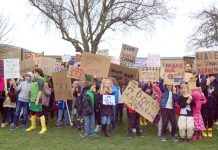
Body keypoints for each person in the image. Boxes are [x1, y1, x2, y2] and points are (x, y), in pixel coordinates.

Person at [26, 68, 47, 134]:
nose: (33, 74)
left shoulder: (40, 80)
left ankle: (44, 128)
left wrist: (37, 99)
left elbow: (40, 91)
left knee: (40, 113)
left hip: (37, 99)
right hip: (33, 99)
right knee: (32, 112)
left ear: (38, 73)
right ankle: (33, 126)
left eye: (34, 73)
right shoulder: (35, 80)